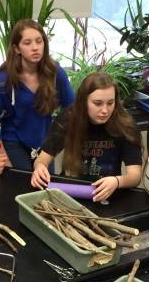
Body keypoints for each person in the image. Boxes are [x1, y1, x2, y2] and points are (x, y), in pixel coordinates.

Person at [30, 72, 142, 202]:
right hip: (70, 191)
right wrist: (39, 168)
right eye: (97, 103)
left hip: (106, 193)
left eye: (110, 103)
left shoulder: (125, 125)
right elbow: (42, 159)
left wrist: (117, 181)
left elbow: (135, 176)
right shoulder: (68, 119)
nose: (105, 110)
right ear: (84, 102)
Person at [0, 19, 75, 170]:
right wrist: (2, 156)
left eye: (39, 41)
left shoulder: (55, 73)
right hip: (14, 142)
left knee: (46, 188)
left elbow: (72, 109)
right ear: (17, 48)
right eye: (27, 43)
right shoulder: (4, 80)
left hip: (45, 143)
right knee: (22, 186)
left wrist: (57, 139)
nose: (35, 47)